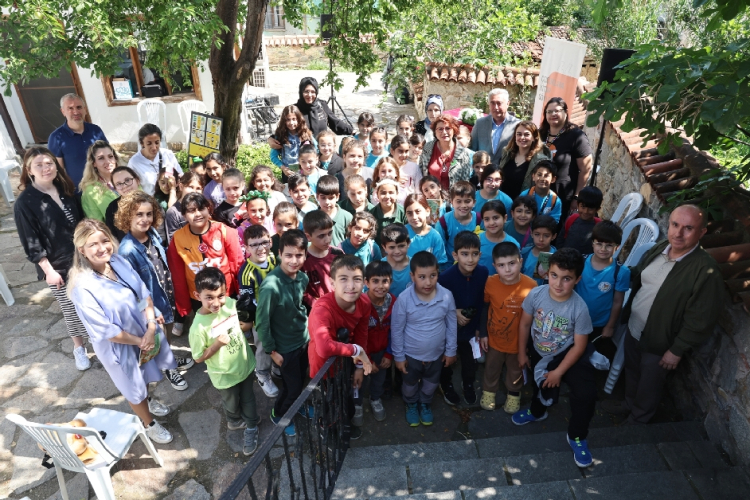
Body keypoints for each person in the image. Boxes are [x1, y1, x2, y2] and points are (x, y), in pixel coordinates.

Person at [603, 205, 724, 424]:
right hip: (634, 328)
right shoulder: (661, 247)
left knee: (649, 384)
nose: (678, 233)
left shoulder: (705, 270)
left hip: (661, 341)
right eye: (675, 225)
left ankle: (639, 419)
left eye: (688, 228)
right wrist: (610, 272)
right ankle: (629, 404)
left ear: (702, 232)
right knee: (632, 371)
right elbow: (639, 275)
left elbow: (701, 319)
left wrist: (677, 350)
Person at [69, 219, 176, 445]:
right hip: (119, 346)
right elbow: (106, 330)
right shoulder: (83, 287)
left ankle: (148, 401)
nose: (102, 248)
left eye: (105, 240)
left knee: (146, 373)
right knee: (133, 386)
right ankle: (148, 423)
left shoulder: (118, 261)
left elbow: (141, 294)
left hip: (143, 332)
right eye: (93, 244)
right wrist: (140, 340)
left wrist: (150, 325)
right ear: (82, 250)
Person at [513, 248, 596, 468]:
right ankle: (537, 411)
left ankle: (577, 435)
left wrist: (559, 372)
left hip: (566, 354)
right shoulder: (536, 294)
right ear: (547, 273)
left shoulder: (579, 308)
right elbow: (525, 324)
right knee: (538, 384)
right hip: (539, 350)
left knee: (585, 394)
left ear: (577, 280)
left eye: (566, 278)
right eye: (554, 275)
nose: (558, 284)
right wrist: (521, 352)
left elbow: (580, 345)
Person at [15, 147, 90, 371]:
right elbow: (31, 241)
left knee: (91, 303)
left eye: (49, 163)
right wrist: (48, 270)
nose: (46, 168)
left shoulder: (66, 189)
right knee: (70, 309)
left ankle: (100, 339)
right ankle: (79, 347)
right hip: (57, 265)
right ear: (29, 170)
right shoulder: (25, 202)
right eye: (39, 165)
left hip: (83, 258)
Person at [116, 191, 193, 391]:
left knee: (167, 333)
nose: (145, 219)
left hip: (166, 295)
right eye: (139, 214)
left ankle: (169, 358)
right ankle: (169, 368)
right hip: (152, 306)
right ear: (127, 216)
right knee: (160, 335)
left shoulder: (152, 234)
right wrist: (149, 311)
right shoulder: (127, 251)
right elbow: (130, 291)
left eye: (149, 214)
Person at [189, 267, 260, 456]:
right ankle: (234, 421)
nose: (216, 302)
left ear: (226, 291)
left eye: (220, 295)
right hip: (224, 375)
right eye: (209, 297)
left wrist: (247, 324)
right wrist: (215, 346)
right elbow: (198, 357)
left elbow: (241, 324)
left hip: (244, 365)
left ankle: (251, 425)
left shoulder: (230, 304)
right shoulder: (198, 328)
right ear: (197, 295)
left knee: (248, 399)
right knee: (231, 403)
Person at [307, 255, 373, 438]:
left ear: (364, 282)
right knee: (330, 402)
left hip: (347, 362)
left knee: (345, 398)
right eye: (343, 279)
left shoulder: (364, 303)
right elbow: (324, 348)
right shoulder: (322, 309)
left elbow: (362, 334)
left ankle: (342, 423)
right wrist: (357, 351)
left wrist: (359, 366)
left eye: (356, 279)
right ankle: (327, 429)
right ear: (332, 282)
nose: (351, 286)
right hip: (325, 368)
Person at [391, 251, 457, 426]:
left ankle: (425, 403)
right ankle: (411, 403)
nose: (428, 282)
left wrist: (451, 350)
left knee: (431, 382)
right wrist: (399, 357)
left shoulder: (446, 296)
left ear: (438, 273)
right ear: (412, 276)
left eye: (432, 276)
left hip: (437, 355)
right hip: (411, 355)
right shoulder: (404, 299)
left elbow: (451, 325)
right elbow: (396, 329)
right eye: (422, 277)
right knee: (409, 383)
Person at [255, 230, 311, 437]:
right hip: (285, 348)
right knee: (291, 387)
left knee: (301, 380)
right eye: (288, 255)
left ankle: (297, 405)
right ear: (279, 254)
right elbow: (262, 322)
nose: (294, 261)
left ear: (305, 255)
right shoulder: (271, 286)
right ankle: (279, 414)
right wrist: (271, 351)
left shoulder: (302, 278)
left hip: (302, 341)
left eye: (299, 255)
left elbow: (298, 307)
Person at [479, 242, 537, 413]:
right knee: (491, 367)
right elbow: (484, 307)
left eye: (512, 263)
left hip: (519, 342)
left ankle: (514, 394)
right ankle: (489, 391)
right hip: (495, 339)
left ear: (520, 261)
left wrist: (529, 344)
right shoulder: (490, 283)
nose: (508, 269)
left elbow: (534, 318)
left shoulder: (531, 286)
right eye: (501, 265)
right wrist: (483, 333)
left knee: (516, 369)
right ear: (494, 266)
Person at [167, 193, 243, 317]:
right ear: (184, 215)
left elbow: (237, 264)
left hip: (225, 293)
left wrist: (241, 291)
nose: (197, 214)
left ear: (208, 209)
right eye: (191, 211)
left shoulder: (224, 231)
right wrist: (184, 305)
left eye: (201, 208)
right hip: (198, 297)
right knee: (205, 326)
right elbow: (177, 274)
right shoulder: (178, 238)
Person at [438, 232, 488, 406]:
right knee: (446, 361)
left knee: (470, 362)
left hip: (471, 329)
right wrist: (454, 313)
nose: (470, 259)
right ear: (455, 255)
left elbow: (482, 302)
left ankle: (468, 383)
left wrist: (480, 328)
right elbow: (438, 306)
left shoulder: (483, 273)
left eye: (475, 254)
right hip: (448, 330)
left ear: (480, 255)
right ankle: (446, 384)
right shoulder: (445, 278)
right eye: (465, 254)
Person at [236, 224, 280, 399]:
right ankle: (262, 372)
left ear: (270, 242)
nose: (260, 248)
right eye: (254, 245)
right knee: (263, 345)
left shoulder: (273, 258)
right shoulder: (246, 272)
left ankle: (276, 365)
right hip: (260, 317)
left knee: (278, 338)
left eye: (264, 242)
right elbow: (247, 302)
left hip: (278, 311)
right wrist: (255, 319)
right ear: (246, 248)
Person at [575, 221, 630, 341]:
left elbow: (617, 301)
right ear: (592, 243)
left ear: (617, 247)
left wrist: (610, 326)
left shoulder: (621, 272)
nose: (603, 249)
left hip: (598, 324)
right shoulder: (579, 262)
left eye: (609, 245)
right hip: (573, 319)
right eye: (599, 244)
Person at [539, 97, 593, 218]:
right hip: (538, 192)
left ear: (565, 112)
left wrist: (576, 197)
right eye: (549, 111)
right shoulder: (540, 134)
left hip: (563, 194)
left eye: (557, 111)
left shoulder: (576, 136)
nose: (553, 114)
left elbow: (585, 169)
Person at [360, 261, 396, 422]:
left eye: (385, 281)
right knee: (359, 380)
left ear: (391, 282)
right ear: (366, 282)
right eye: (375, 281)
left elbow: (395, 331)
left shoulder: (393, 302)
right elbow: (359, 335)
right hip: (363, 353)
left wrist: (389, 354)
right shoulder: (360, 303)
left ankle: (375, 398)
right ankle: (357, 404)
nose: (380, 286)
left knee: (379, 380)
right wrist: (366, 359)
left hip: (383, 352)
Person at [269, 77, 353, 146]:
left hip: (322, 150)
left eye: (313, 92)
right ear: (301, 92)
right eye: (306, 91)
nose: (309, 95)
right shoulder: (295, 109)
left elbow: (335, 123)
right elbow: (283, 129)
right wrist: (271, 138)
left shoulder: (322, 105)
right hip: (303, 155)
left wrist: (352, 131)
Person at [48, 94, 108, 187]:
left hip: (103, 186)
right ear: (63, 111)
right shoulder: (56, 137)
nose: (76, 112)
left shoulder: (96, 131)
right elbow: (57, 171)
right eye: (70, 108)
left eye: (79, 107)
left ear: (85, 109)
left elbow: (108, 157)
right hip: (78, 191)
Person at [302, 210, 345, 309]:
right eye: (321, 236)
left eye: (330, 233)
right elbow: (302, 292)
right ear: (308, 237)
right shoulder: (302, 260)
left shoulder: (338, 253)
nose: (327, 239)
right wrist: (318, 305)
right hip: (316, 311)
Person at [499, 120, 550, 201]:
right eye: (519, 134)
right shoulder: (507, 154)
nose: (522, 137)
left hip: (523, 205)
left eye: (526, 134)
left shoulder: (540, 161)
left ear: (534, 137)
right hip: (502, 203)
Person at [419, 115, 473, 190]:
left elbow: (465, 182)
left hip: (454, 195)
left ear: (454, 130)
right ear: (435, 132)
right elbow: (421, 172)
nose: (444, 132)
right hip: (431, 195)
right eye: (440, 129)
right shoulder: (427, 148)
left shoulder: (463, 153)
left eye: (448, 128)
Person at [127, 123, 183, 196]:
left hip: (172, 198)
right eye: (149, 143)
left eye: (157, 142)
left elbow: (180, 177)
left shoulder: (168, 155)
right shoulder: (134, 163)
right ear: (141, 143)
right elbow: (131, 189)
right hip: (150, 201)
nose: (154, 147)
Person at [470, 89, 521, 166]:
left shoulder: (517, 125)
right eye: (492, 103)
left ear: (508, 104)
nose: (496, 107)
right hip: (483, 171)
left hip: (506, 171)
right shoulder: (480, 124)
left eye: (499, 103)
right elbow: (472, 151)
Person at [270, 105, 317, 183]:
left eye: (294, 119)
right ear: (284, 121)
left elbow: (316, 149)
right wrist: (283, 168)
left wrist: (311, 164)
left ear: (299, 119)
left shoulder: (306, 134)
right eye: (288, 120)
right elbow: (273, 156)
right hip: (288, 173)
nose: (291, 123)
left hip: (304, 171)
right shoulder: (281, 136)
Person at [436, 180, 481, 257]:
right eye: (458, 201)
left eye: (467, 201)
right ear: (451, 202)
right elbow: (439, 249)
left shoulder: (479, 220)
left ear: (474, 202)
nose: (463, 205)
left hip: (474, 262)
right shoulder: (443, 222)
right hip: (450, 263)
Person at [403, 194, 448, 269]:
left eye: (418, 211)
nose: (414, 217)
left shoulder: (435, 236)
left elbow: (440, 264)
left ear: (427, 211)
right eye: (409, 213)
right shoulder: (402, 233)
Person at [79, 141, 120, 221]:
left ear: (115, 159)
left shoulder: (127, 178)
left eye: (110, 156)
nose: (108, 162)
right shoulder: (91, 191)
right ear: (94, 163)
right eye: (101, 158)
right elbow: (97, 223)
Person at [479, 200, 520, 275]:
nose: (491, 223)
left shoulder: (512, 244)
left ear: (505, 218)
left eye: (495, 218)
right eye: (487, 219)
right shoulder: (477, 240)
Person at [560, 186, 603, 255]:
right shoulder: (571, 219)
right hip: (566, 258)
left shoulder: (599, 227)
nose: (586, 211)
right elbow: (561, 239)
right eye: (583, 207)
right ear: (577, 205)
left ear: (597, 209)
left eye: (591, 208)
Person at [105, 166, 143, 241]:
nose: (125, 186)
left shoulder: (151, 202)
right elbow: (113, 238)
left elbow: (160, 234)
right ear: (115, 189)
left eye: (128, 180)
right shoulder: (112, 209)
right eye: (119, 184)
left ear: (137, 180)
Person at [164, 171, 204, 243]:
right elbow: (173, 240)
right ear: (181, 187)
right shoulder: (173, 212)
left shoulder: (203, 209)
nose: (194, 191)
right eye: (190, 187)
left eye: (198, 188)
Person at [315, 174, 352, 247]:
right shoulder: (312, 218)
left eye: (331, 198)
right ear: (317, 197)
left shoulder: (347, 217)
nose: (327, 202)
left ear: (337, 197)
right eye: (323, 198)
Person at [521, 215, 558, 286]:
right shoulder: (524, 253)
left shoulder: (557, 258)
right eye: (537, 234)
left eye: (546, 236)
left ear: (553, 236)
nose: (541, 239)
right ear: (531, 233)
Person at [369, 178, 406, 245]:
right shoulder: (371, 214)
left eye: (391, 193)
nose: (387, 196)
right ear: (377, 194)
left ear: (397, 194)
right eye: (383, 193)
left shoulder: (404, 212)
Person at [380, 223, 412, 297]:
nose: (397, 251)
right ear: (384, 247)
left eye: (401, 246)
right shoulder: (378, 268)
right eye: (392, 247)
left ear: (408, 244)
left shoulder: (416, 265)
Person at [390, 134, 422, 199]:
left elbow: (419, 190)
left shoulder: (414, 167)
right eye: (400, 151)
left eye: (406, 151)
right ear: (392, 151)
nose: (404, 155)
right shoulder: (386, 167)